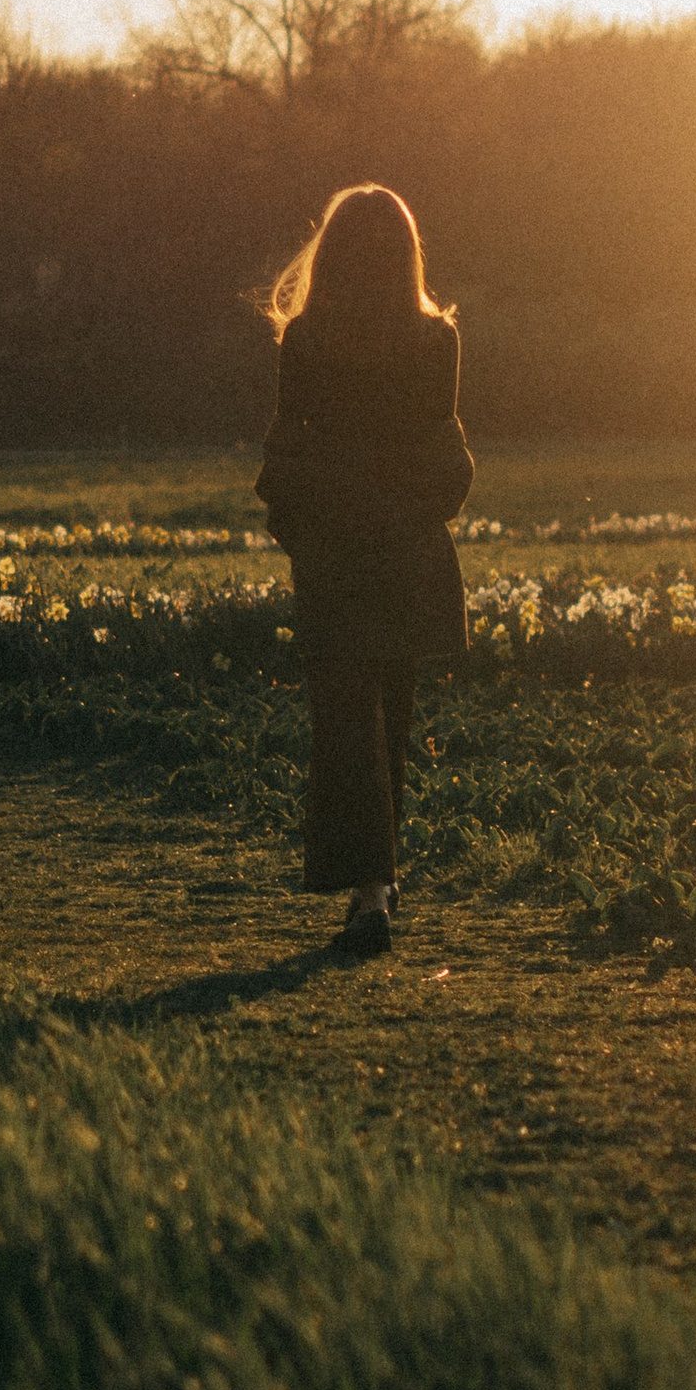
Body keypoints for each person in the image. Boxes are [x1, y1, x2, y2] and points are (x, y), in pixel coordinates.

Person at [254, 184, 473, 958]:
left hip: (335, 548)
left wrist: (298, 526)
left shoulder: (307, 340)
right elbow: (442, 446)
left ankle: (370, 888)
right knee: (391, 717)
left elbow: (290, 441)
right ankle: (376, 884)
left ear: (333, 255)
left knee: (345, 720)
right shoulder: (435, 340)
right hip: (406, 545)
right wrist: (423, 510)